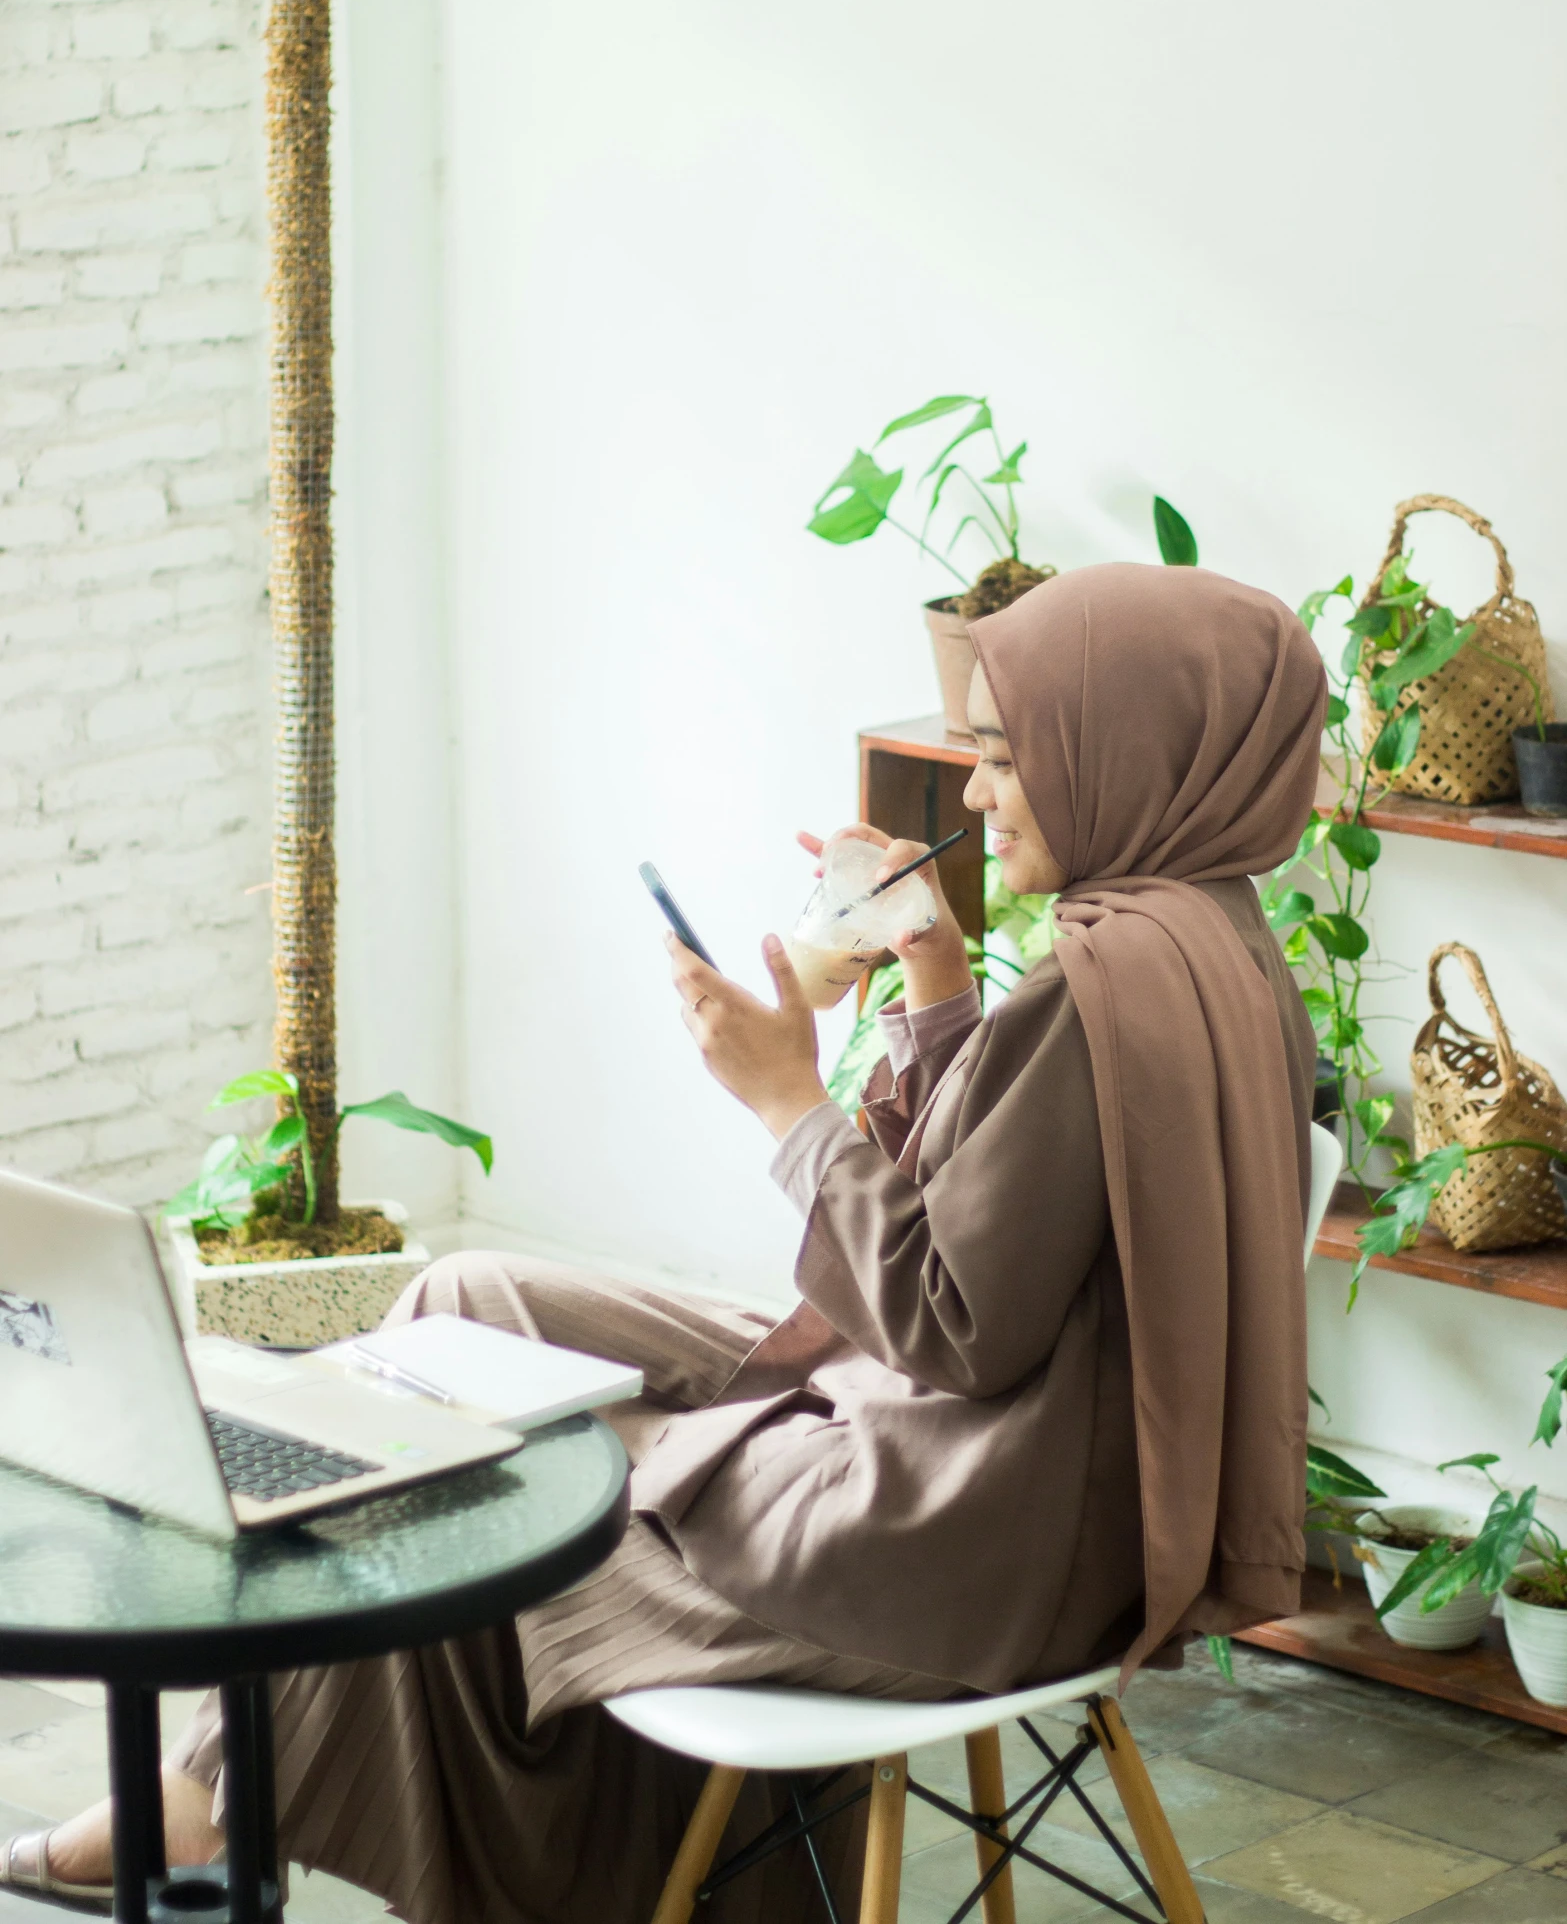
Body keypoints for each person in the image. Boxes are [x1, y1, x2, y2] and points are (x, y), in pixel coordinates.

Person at [11, 563, 1324, 1924]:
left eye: (1005, 758)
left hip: (950, 1541)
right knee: (470, 1296)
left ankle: (227, 1801)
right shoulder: (1203, 944)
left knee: (469, 1477)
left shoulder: (1097, 985)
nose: (978, 794)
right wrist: (931, 982)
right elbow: (1012, 1220)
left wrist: (784, 1100)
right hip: (1003, 1481)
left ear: (1124, 749)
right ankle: (237, 1791)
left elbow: (954, 1321)